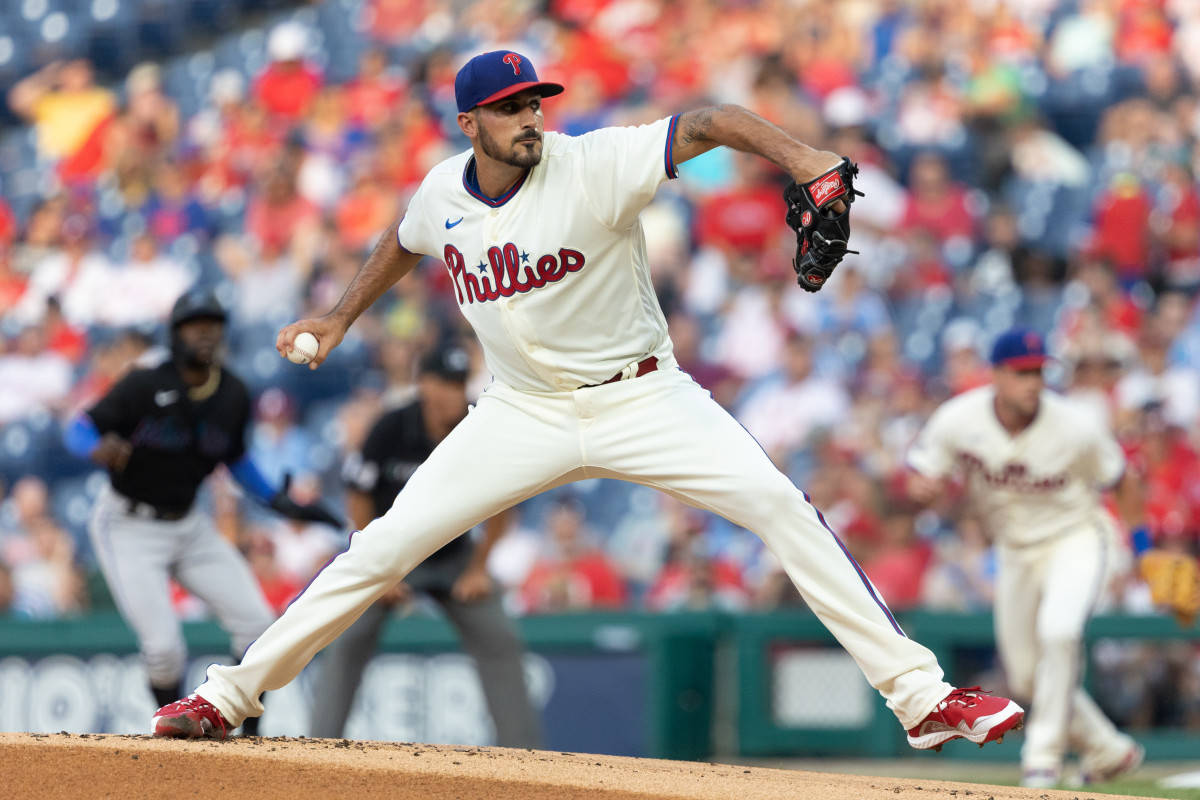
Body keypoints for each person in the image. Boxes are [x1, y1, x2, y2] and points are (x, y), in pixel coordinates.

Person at [153, 50, 1023, 750]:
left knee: (777, 504)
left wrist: (805, 159)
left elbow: (712, 120)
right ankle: (228, 697)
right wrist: (339, 317)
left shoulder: (593, 164)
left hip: (643, 398)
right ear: (471, 124)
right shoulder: (443, 192)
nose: (531, 117)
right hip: (520, 411)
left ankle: (921, 698)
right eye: (510, 107)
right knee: (381, 549)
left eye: (535, 102)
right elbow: (406, 239)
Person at [65, 287, 341, 736]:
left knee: (257, 628)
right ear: (175, 334)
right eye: (195, 327)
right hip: (129, 524)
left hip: (190, 524)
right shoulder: (145, 383)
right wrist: (96, 447)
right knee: (164, 651)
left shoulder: (232, 393)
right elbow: (78, 429)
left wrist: (277, 500)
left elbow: (235, 459)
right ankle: (170, 741)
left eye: (213, 327)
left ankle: (244, 735)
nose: (206, 335)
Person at [906, 328, 1146, 787]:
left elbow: (1123, 479)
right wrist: (921, 487)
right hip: (1014, 550)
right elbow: (921, 471)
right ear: (995, 375)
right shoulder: (959, 418)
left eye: (1038, 372)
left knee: (1059, 633)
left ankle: (1042, 759)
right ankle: (1107, 749)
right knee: (1026, 674)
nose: (1033, 382)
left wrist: (1142, 551)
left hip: (1075, 538)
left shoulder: (1073, 424)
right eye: (1021, 373)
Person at [309, 343, 541, 746]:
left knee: (501, 637)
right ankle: (318, 747)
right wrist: (377, 565)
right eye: (444, 383)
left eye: (458, 383)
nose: (453, 393)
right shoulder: (391, 427)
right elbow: (358, 495)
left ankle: (526, 759)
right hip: (395, 551)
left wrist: (479, 568)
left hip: (454, 554)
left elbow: (506, 499)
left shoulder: (478, 425)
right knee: (347, 636)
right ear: (424, 385)